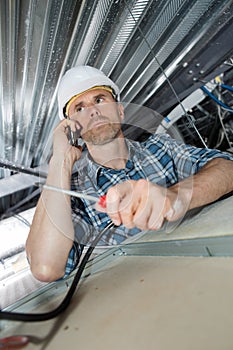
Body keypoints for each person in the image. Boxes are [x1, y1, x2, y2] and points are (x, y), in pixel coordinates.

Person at [26, 65, 233, 282]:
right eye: (79, 108)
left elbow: (227, 168)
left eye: (99, 99)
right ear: (72, 129)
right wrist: (60, 160)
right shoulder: (72, 192)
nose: (93, 110)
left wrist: (173, 197)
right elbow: (46, 267)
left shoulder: (160, 148)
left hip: (203, 270)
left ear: (120, 111)